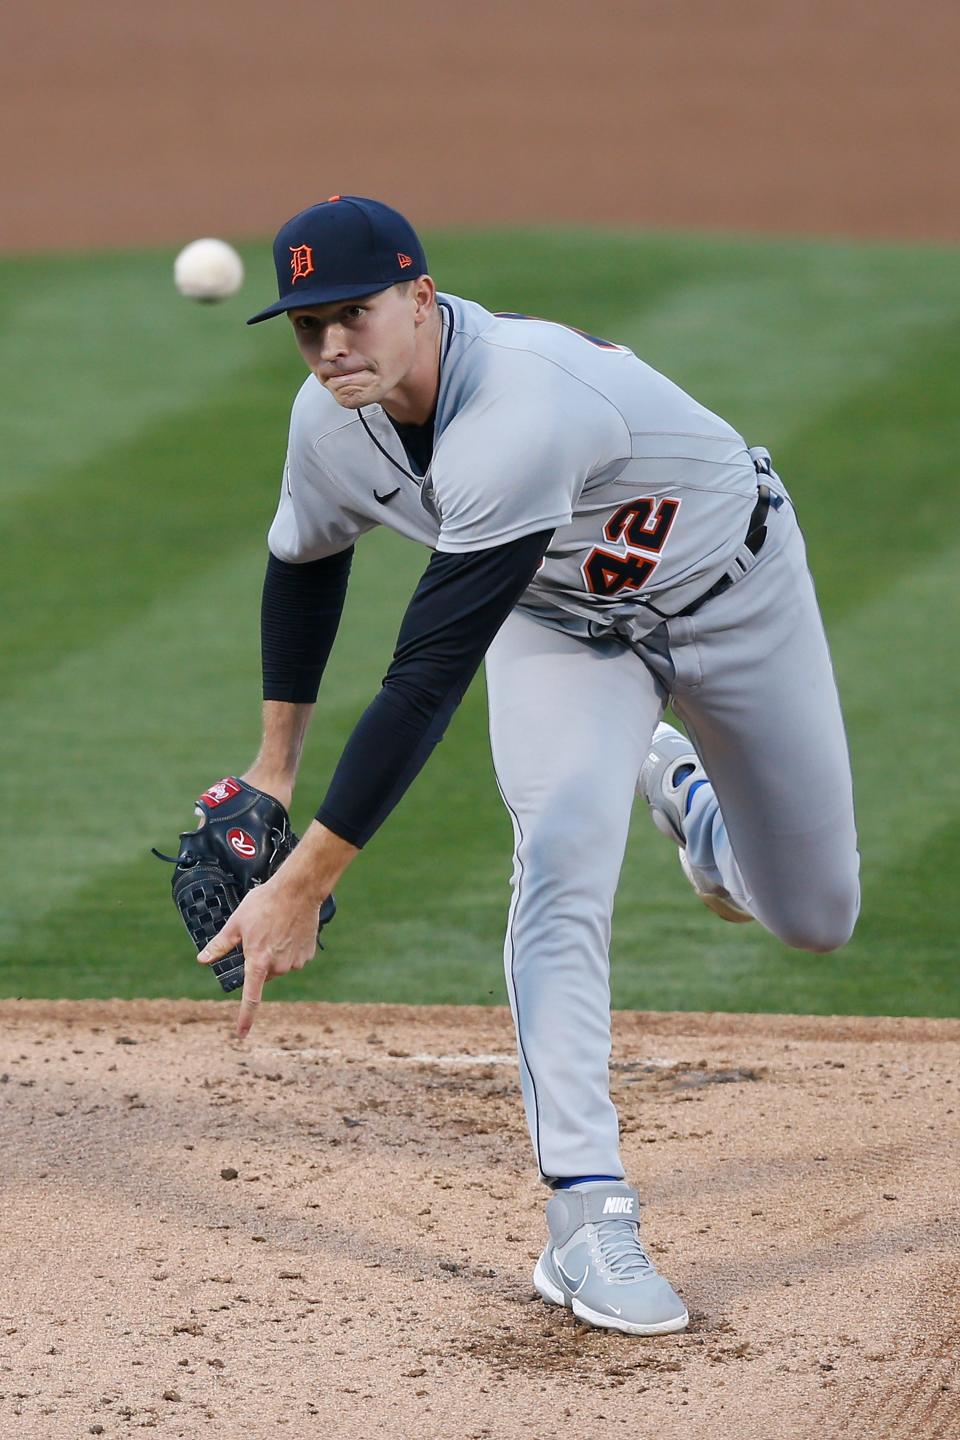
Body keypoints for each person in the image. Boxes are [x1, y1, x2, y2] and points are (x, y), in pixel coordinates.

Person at [197, 196, 860, 1337]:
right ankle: (586, 1215)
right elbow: (303, 561)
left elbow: (424, 677)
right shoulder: (329, 419)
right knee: (559, 857)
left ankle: (696, 812)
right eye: (308, 327)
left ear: (420, 296)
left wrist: (301, 880)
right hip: (560, 629)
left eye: (352, 314)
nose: (332, 348)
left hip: (735, 593)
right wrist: (272, 769)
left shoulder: (523, 405)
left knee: (815, 916)